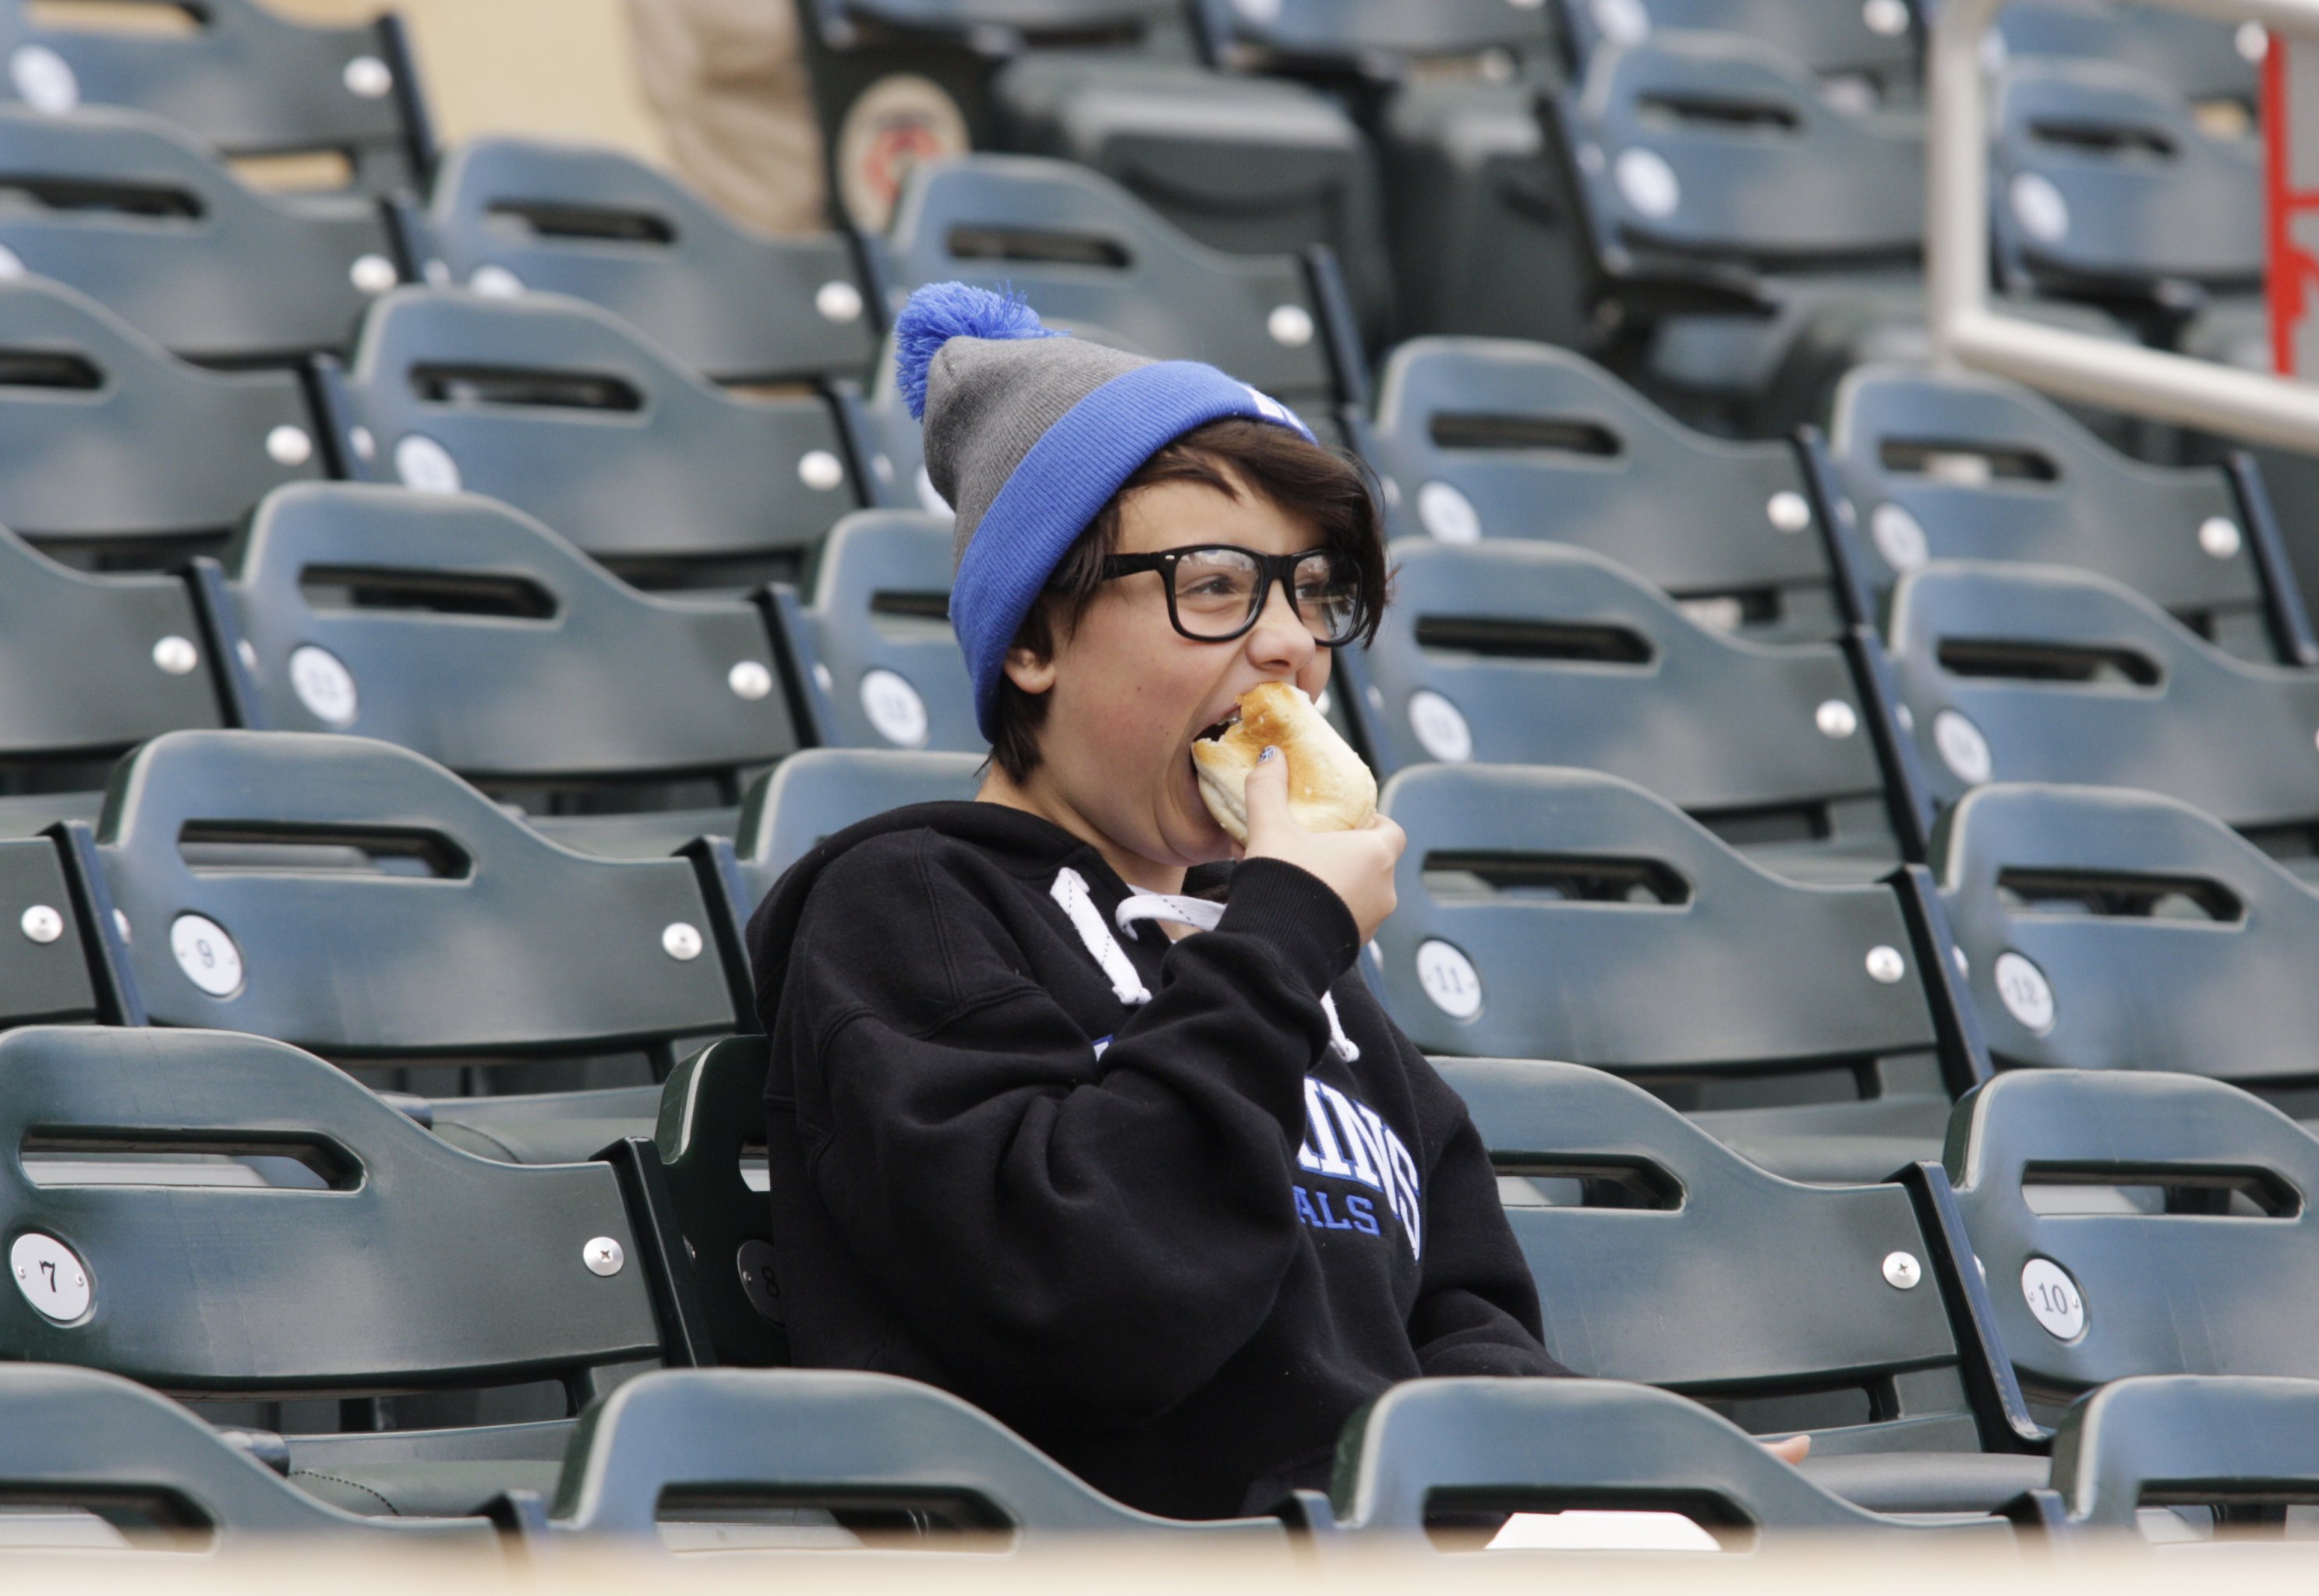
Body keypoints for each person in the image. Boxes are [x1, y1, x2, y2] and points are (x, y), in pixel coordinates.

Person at [748, 284, 1561, 1520]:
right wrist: (1282, 941)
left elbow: (1459, 1310)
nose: (1290, 642)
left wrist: (1590, 1483)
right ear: (1035, 637)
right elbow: (1086, 1302)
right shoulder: (911, 908)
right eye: (1220, 586)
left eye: (1313, 590)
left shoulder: (1293, 951)